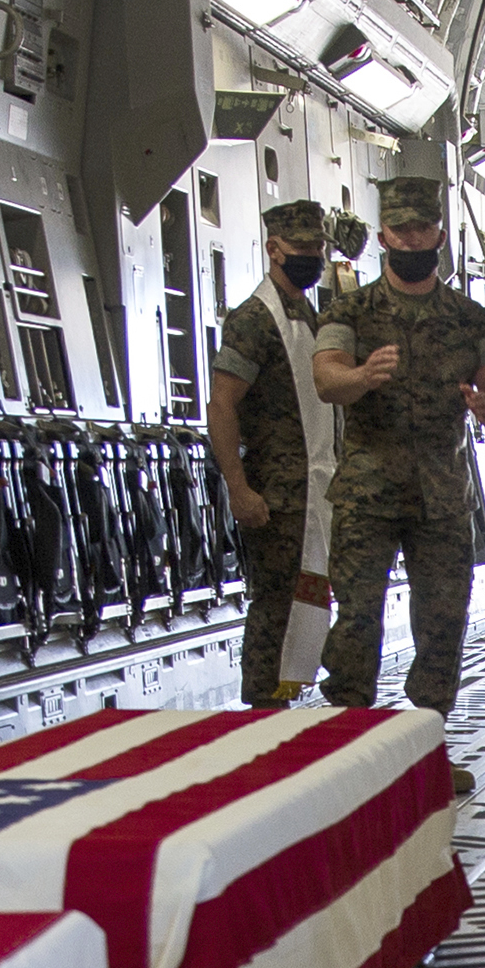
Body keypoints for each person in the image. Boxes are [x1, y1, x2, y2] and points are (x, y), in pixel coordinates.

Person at [312, 174, 485, 715]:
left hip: (443, 495)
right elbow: (327, 378)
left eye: (422, 228)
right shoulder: (346, 314)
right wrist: (362, 377)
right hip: (367, 494)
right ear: (383, 237)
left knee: (444, 621)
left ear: (440, 236)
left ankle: (427, 741)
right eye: (401, 230)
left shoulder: (471, 320)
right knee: (356, 618)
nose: (411, 240)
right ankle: (350, 736)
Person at [205, 199, 332, 708]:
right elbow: (221, 406)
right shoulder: (254, 320)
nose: (311, 256)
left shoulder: (307, 312)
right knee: (276, 606)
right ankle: (264, 707)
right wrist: (238, 487)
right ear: (273, 249)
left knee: (309, 601)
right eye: (301, 248)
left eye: (317, 247)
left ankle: (289, 699)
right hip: (275, 495)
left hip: (314, 490)